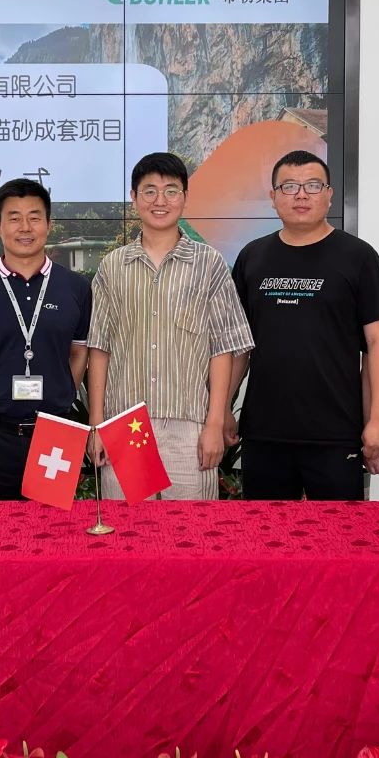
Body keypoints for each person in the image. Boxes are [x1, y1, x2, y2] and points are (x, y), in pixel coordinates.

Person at [86, 152, 254, 500]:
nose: (160, 201)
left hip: (189, 427)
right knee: (129, 528)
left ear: (185, 197)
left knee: (191, 530)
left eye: (171, 191)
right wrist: (97, 425)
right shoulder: (113, 266)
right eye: (149, 191)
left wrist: (214, 423)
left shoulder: (209, 264)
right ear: (134, 198)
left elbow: (223, 349)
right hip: (125, 424)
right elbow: (100, 349)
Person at [227, 149, 379, 499]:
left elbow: (378, 343)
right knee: (264, 531)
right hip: (264, 432)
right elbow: (239, 345)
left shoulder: (359, 257)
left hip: (335, 434)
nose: (301, 195)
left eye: (313, 186)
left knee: (338, 532)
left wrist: (378, 419)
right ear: (273, 197)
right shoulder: (252, 257)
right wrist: (224, 407)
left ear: (329, 194)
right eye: (289, 186)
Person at [0, 178, 92, 499]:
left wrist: (62, 391)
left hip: (55, 434)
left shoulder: (75, 288)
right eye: (14, 218)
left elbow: (79, 352)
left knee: (53, 525)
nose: (25, 227)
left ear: (49, 225)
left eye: (34, 217)